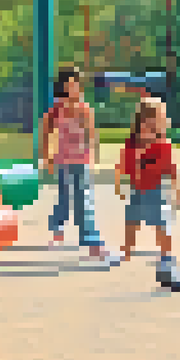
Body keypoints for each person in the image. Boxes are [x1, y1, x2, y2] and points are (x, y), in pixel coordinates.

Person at [39, 67, 119, 265]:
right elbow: (45, 132)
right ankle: (57, 227)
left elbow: (92, 134)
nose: (73, 87)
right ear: (63, 86)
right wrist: (46, 157)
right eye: (69, 84)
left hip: (81, 160)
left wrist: (94, 157)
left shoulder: (84, 108)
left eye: (75, 83)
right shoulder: (56, 109)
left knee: (83, 199)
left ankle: (91, 241)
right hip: (63, 160)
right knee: (64, 197)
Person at [115, 97, 180, 291]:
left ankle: (166, 259)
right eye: (151, 121)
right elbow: (122, 165)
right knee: (131, 220)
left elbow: (173, 170)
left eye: (159, 121)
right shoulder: (132, 145)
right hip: (137, 190)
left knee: (162, 226)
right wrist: (118, 183)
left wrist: (177, 193)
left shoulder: (163, 145)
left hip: (157, 191)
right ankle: (127, 250)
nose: (153, 128)